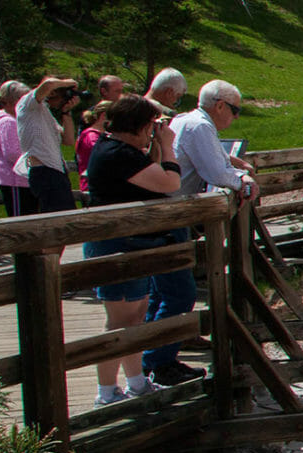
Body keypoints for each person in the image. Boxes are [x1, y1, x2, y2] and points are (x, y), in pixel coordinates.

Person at [148, 79, 259, 385]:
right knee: (179, 293)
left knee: (161, 293)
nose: (235, 118)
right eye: (234, 110)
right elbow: (215, 172)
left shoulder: (187, 120)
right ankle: (158, 362)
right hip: (174, 216)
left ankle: (154, 358)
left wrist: (234, 171)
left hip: (167, 215)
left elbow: (217, 163)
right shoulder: (201, 126)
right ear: (220, 105)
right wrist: (243, 183)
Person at [83, 97, 183, 403]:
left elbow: (151, 174)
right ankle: (106, 391)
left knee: (136, 316)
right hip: (117, 246)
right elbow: (170, 182)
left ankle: (136, 382)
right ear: (138, 125)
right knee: (119, 321)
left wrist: (155, 143)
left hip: (130, 242)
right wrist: (166, 146)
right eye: (151, 125)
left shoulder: (121, 151)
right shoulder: (116, 153)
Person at [15, 76, 79, 213]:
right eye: (64, 96)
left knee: (66, 215)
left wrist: (66, 113)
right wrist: (68, 83)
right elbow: (48, 84)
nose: (63, 100)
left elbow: (68, 140)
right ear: (53, 93)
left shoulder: (45, 112)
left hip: (56, 171)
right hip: (43, 171)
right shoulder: (27, 104)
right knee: (59, 217)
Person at [0, 81, 30, 216]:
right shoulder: (8, 123)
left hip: (20, 180)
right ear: (11, 101)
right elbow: (13, 154)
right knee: (21, 219)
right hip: (16, 181)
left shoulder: (11, 119)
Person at [73, 104, 110, 195]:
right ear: (103, 116)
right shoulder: (91, 136)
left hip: (101, 185)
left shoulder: (102, 134)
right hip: (91, 186)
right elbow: (104, 156)